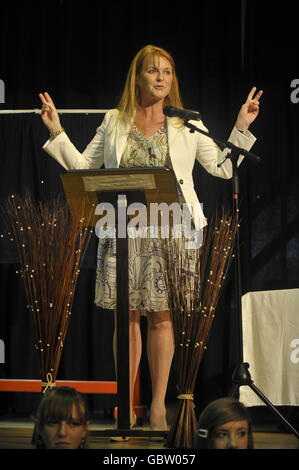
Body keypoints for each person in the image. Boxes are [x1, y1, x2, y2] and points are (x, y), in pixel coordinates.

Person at [39, 44, 262, 432]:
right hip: (123, 227)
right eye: (153, 71)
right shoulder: (114, 120)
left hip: (172, 227)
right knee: (126, 320)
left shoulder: (186, 122)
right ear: (137, 77)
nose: (161, 78)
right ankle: (125, 407)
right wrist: (57, 132)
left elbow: (222, 168)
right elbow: (83, 168)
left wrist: (240, 130)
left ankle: (158, 407)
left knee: (162, 319)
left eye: (167, 72)